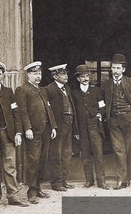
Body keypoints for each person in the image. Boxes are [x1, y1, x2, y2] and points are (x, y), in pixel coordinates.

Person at [100, 54, 131, 190]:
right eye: (113, 68)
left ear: (123, 69)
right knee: (118, 150)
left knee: (128, 149)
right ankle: (121, 180)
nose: (116, 71)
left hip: (129, 119)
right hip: (114, 121)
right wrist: (102, 115)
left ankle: (127, 178)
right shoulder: (106, 85)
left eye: (118, 68)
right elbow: (101, 102)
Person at [15, 61, 57, 204]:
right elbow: (23, 111)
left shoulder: (43, 90)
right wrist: (27, 128)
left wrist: (53, 127)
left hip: (45, 130)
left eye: (39, 73)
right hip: (33, 132)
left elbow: (48, 109)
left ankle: (38, 188)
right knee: (33, 161)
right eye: (35, 74)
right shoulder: (22, 90)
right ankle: (31, 191)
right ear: (28, 75)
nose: (38, 76)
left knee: (42, 160)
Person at [72, 64, 109, 190]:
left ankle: (101, 181)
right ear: (78, 79)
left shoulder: (96, 91)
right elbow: (74, 113)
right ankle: (89, 180)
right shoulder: (74, 94)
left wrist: (99, 114)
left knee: (98, 154)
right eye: (82, 77)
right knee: (86, 156)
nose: (85, 78)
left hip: (95, 127)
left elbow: (103, 107)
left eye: (87, 76)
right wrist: (76, 130)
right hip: (82, 129)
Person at [46, 64, 78, 192]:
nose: (66, 76)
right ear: (55, 76)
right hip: (58, 127)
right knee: (56, 155)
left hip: (68, 125)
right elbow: (48, 110)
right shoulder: (49, 89)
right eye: (63, 74)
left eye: (66, 73)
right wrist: (53, 126)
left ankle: (64, 180)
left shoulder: (67, 88)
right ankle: (56, 182)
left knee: (66, 154)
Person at [0, 62, 28, 207]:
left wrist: (18, 132)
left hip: (7, 133)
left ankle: (13, 196)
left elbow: (16, 113)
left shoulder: (8, 92)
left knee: (10, 165)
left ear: (3, 75)